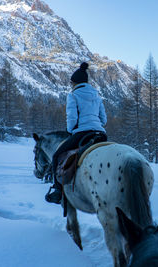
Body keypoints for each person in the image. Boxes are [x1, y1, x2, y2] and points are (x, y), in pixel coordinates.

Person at [45, 62, 108, 204]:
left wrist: (70, 130)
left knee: (56, 156)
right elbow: (103, 119)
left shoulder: (73, 95)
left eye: (71, 83)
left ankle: (58, 190)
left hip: (81, 133)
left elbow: (72, 117)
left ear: (74, 82)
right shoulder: (97, 96)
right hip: (100, 133)